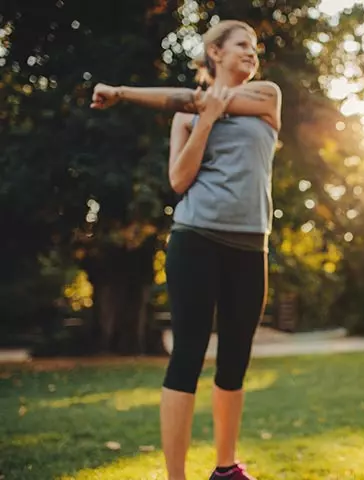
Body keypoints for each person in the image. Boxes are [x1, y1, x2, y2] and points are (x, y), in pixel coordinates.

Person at [91, 20, 282, 480]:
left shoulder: (267, 98)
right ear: (215, 53)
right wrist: (206, 121)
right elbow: (179, 181)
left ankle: (225, 468)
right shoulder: (186, 117)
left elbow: (196, 97)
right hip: (195, 238)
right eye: (241, 46)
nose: (251, 54)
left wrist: (123, 92)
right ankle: (176, 476)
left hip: (250, 244)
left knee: (236, 356)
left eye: (254, 48)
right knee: (189, 353)